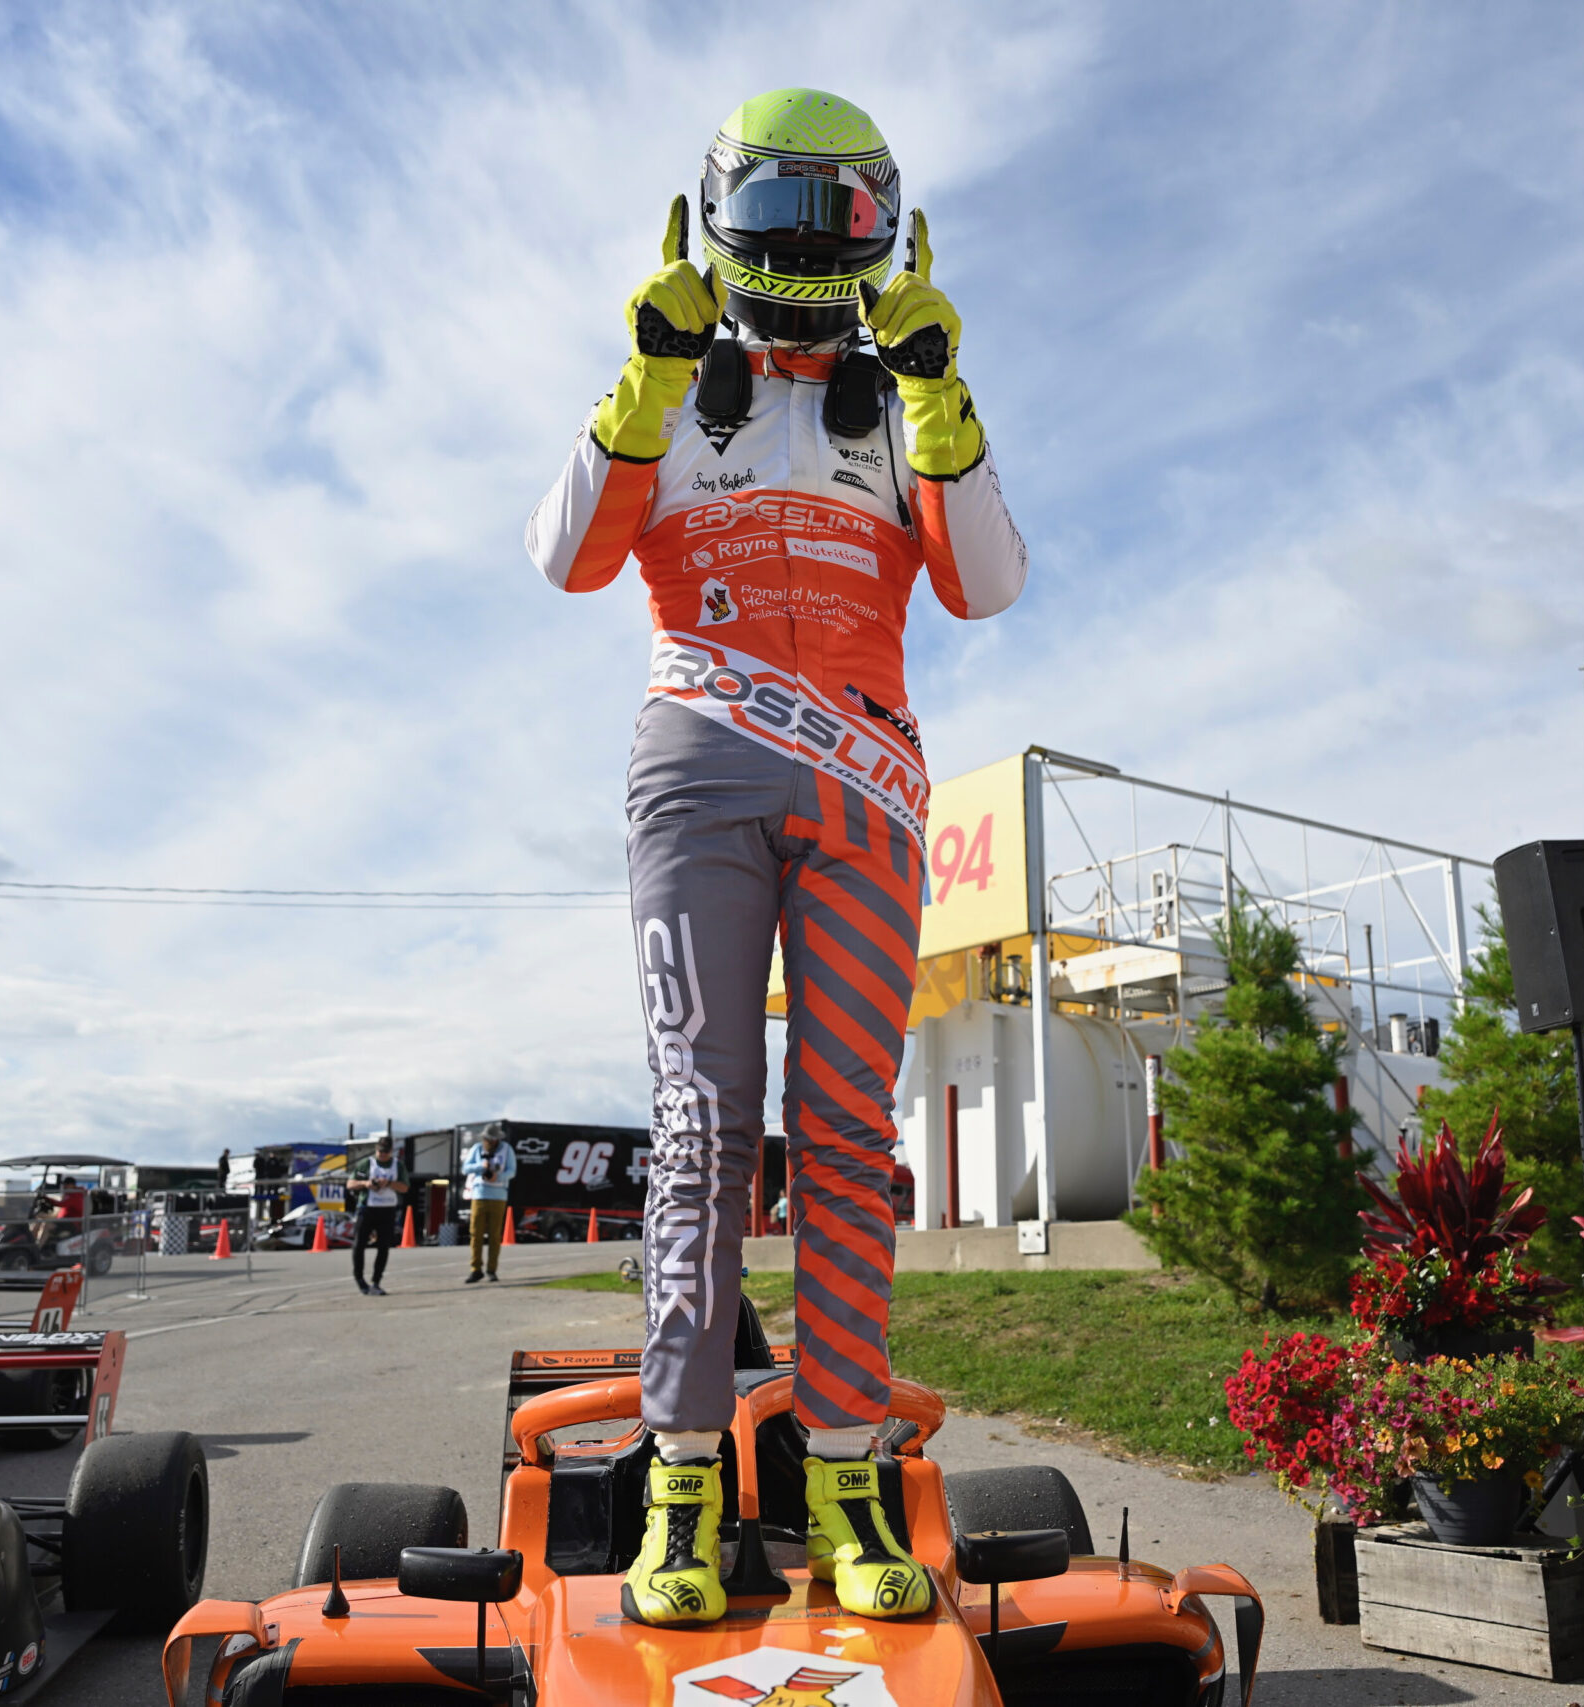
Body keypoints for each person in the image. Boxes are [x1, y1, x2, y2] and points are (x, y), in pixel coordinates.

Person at [525, 88, 1026, 1628]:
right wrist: (639, 379)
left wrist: (945, 404)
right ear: (715, 215)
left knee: (847, 1133)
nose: (812, 247)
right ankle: (682, 1485)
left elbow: (989, 584)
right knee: (702, 1119)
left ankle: (847, 1479)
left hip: (866, 787)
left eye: (848, 217)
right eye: (781, 215)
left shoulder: (905, 400)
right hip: (703, 769)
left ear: (892, 229)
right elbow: (567, 555)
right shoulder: (675, 389)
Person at [460, 1129, 515, 1285]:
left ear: (497, 1139)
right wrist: (480, 1166)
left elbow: (512, 1171)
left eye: (491, 1139)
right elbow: (465, 1168)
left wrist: (499, 1176)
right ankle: (475, 1269)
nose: (488, 1141)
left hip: (499, 1196)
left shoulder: (507, 1150)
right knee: (475, 1233)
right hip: (479, 1195)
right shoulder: (477, 1149)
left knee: (494, 1235)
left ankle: (491, 1270)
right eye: (486, 1138)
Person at [351, 1134, 402, 1296]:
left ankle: (376, 1281)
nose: (383, 1154)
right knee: (359, 1244)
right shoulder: (367, 1164)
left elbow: (405, 1187)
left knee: (384, 1246)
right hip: (367, 1208)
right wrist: (366, 1183)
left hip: (387, 1209)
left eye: (386, 1152)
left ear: (391, 1151)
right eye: (380, 1151)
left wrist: (388, 1183)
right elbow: (350, 1184)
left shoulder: (397, 1165)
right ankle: (359, 1278)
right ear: (376, 1149)